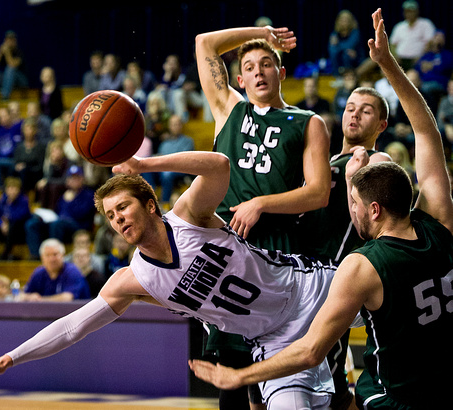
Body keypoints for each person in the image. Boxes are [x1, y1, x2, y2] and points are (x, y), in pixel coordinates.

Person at [188, 9, 453, 410]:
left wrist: (239, 377)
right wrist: (385, 63)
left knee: (317, 384)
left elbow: (309, 349)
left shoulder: (364, 258)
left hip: (349, 320)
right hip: (437, 375)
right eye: (349, 106)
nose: (353, 113)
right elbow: (426, 133)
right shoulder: (438, 224)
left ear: (374, 207)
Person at [0, 149, 338, 410]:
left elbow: (219, 164)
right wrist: (11, 357)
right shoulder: (132, 279)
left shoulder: (188, 215)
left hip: (308, 287)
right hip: (272, 341)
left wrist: (145, 165)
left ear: (150, 205)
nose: (117, 218)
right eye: (110, 215)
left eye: (123, 207)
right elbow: (72, 327)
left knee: (393, 319)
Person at [195, 23, 330, 409]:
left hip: (279, 248)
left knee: (275, 374)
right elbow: (205, 42)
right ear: (239, 79)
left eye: (267, 63)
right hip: (229, 250)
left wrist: (261, 203)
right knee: (232, 374)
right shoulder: (229, 110)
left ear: (282, 73)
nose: (258, 72)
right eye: (250, 66)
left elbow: (318, 193)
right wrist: (262, 33)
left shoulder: (308, 122)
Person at [297, 85, 392, 408]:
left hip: (336, 280)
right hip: (306, 275)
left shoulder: (378, 161)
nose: (354, 113)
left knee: (327, 380)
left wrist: (354, 177)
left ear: (381, 124)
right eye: (350, 107)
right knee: (324, 379)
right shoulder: (326, 161)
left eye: (366, 110)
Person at [25, 164, 95, 259]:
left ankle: (55, 254)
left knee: (57, 224)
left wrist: (69, 202)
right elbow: (58, 212)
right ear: (67, 180)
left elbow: (82, 213)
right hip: (60, 225)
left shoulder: (89, 194)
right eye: (71, 178)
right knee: (32, 224)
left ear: (82, 179)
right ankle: (36, 256)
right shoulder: (64, 195)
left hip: (79, 226)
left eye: (77, 178)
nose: (74, 181)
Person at [142, 114, 194, 208]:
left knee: (167, 174)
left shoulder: (188, 141)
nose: (176, 126)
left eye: (178, 124)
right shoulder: (165, 143)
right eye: (173, 124)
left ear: (181, 125)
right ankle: (150, 196)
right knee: (146, 169)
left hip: (179, 169)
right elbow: (159, 156)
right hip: (163, 168)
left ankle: (164, 203)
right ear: (169, 126)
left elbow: (184, 159)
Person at [20, 238, 90, 302]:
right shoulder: (39, 273)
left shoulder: (72, 271)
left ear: (63, 255)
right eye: (47, 255)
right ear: (42, 258)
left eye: (55, 254)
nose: (51, 259)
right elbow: (22, 295)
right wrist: (29, 297)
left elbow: (67, 298)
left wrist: (40, 300)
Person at [0, 176, 31, 260]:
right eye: (10, 188)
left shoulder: (24, 200)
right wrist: (1, 224)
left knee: (13, 226)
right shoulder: (2, 200)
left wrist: (7, 219)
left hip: (19, 229)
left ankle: (5, 254)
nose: (12, 191)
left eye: (14, 188)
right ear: (6, 189)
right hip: (4, 227)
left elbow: (20, 216)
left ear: (19, 190)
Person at [389, 0, 435, 71]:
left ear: (417, 11)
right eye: (407, 11)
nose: (409, 13)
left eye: (411, 11)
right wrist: (395, 57)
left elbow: (430, 43)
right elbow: (392, 44)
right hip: (400, 59)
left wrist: (422, 57)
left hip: (417, 59)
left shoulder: (426, 24)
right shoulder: (399, 26)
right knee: (375, 60)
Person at [414, 30, 453, 114]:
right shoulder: (427, 55)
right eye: (436, 37)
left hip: (440, 83)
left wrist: (432, 66)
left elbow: (446, 67)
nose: (438, 39)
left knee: (425, 89)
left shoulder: (447, 55)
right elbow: (417, 68)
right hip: (423, 82)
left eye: (441, 37)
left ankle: (429, 113)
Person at [12, 117, 46, 193]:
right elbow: (15, 162)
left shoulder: (41, 147)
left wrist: (26, 167)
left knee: (24, 172)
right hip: (20, 174)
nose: (29, 131)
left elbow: (40, 167)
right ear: (23, 130)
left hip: (34, 175)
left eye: (31, 128)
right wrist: (17, 166)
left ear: (35, 130)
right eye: (27, 129)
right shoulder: (19, 147)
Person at [328, 10, 365, 77]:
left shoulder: (355, 33)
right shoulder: (335, 34)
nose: (344, 22)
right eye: (342, 20)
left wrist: (337, 45)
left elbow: (349, 45)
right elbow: (331, 48)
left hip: (357, 59)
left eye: (346, 20)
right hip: (340, 58)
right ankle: (337, 76)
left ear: (351, 21)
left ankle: (348, 76)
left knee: (347, 54)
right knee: (333, 50)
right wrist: (337, 47)